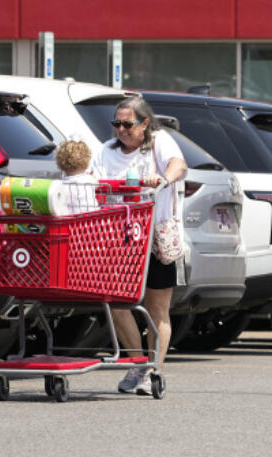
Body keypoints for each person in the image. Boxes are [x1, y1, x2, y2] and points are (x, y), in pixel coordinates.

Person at [89, 95, 187, 396]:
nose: (120, 129)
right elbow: (92, 177)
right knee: (118, 305)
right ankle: (138, 365)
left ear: (144, 123)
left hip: (154, 236)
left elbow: (178, 164)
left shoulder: (159, 142)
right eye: (116, 123)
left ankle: (155, 370)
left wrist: (162, 179)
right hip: (119, 238)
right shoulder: (107, 150)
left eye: (127, 124)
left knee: (157, 308)